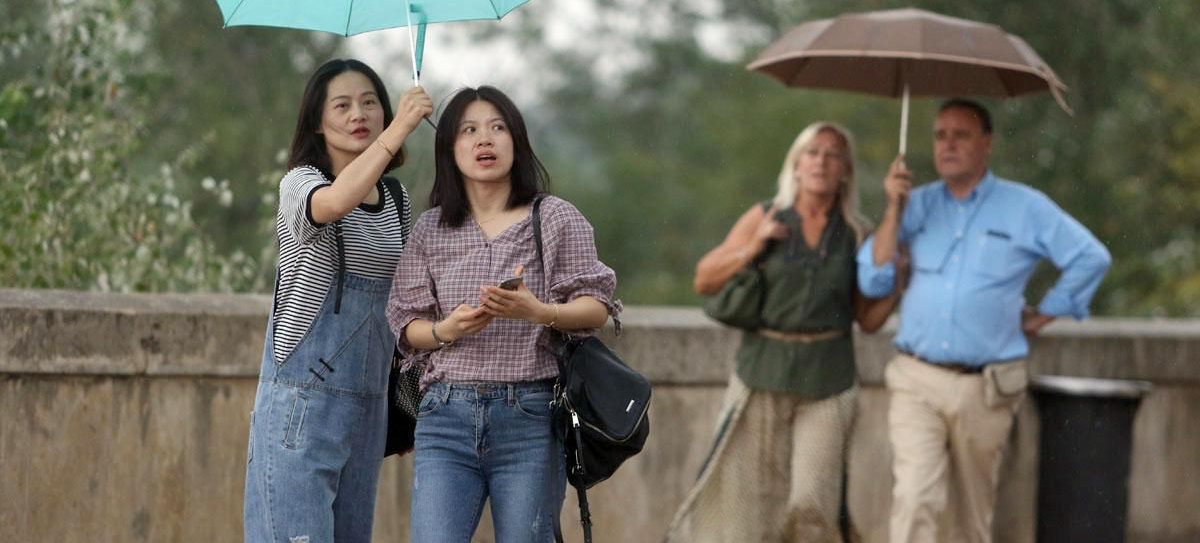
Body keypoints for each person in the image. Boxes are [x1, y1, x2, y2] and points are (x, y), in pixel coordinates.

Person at [857, 98, 1112, 543]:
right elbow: (874, 280)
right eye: (940, 135)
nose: (947, 145)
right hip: (917, 378)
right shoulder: (913, 206)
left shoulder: (1025, 206)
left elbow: (1091, 257)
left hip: (987, 386)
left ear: (986, 143)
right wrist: (893, 209)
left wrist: (1047, 310)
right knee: (915, 497)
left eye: (961, 135)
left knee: (970, 519)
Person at [386, 85, 619, 543]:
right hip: (444, 415)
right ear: (450, 148)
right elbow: (406, 324)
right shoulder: (431, 228)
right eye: (468, 130)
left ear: (517, 141)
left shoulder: (553, 218)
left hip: (529, 415)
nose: (484, 140)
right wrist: (443, 330)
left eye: (497, 128)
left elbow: (597, 307)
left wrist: (538, 311)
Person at [665, 121, 900, 543]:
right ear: (795, 164)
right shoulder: (766, 215)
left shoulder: (855, 232)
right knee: (749, 503)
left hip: (828, 378)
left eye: (832, 155)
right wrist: (753, 246)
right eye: (812, 152)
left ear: (845, 169)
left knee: (812, 502)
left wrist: (900, 278)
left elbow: (867, 319)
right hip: (761, 373)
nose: (821, 162)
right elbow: (705, 279)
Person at [243, 59, 433, 543]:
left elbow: (402, 303)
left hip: (368, 405)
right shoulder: (301, 184)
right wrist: (399, 130)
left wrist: (403, 403)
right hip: (303, 405)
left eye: (370, 102)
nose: (359, 114)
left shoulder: (394, 198)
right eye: (343, 105)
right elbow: (331, 205)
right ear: (316, 122)